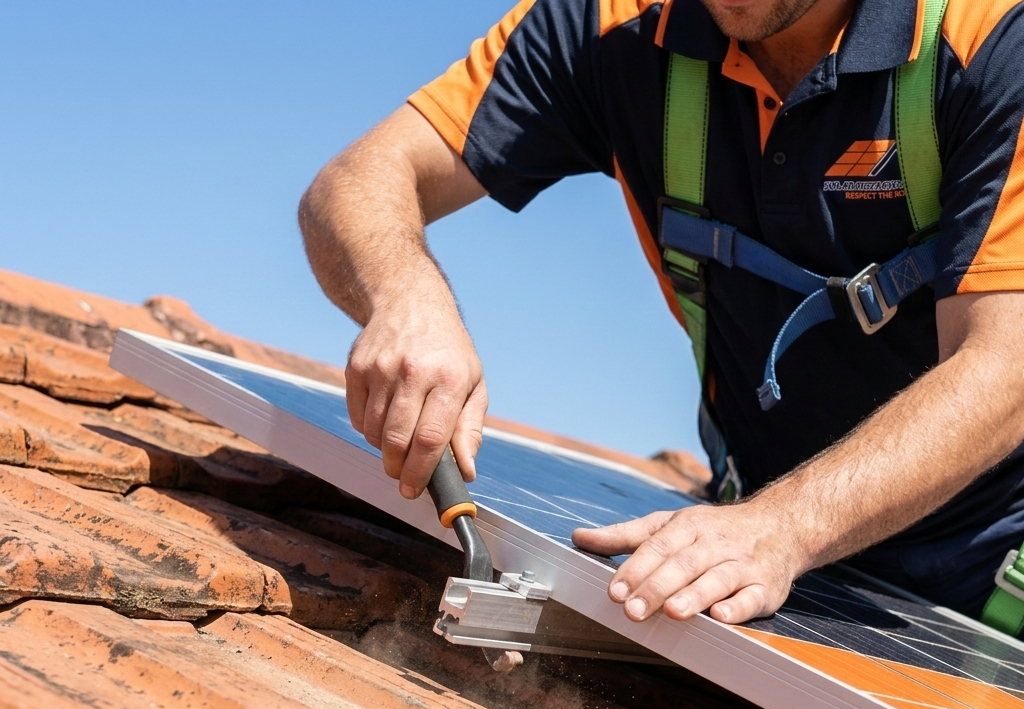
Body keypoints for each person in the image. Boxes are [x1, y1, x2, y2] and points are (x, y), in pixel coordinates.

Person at [298, 0, 1024, 632]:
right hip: (757, 565)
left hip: (989, 574)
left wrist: (786, 526)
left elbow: (1006, 368)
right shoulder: (608, 26)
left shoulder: (993, 39)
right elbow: (356, 181)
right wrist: (406, 301)